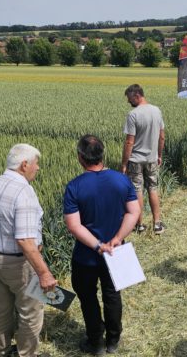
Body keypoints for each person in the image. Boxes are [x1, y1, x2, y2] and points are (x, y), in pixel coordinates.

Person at [0, 143, 57, 357]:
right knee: (30, 311)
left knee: (1, 308)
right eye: (36, 163)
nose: (38, 168)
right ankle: (27, 354)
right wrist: (44, 273)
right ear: (24, 165)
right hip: (17, 264)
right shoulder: (24, 192)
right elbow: (25, 240)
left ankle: (0, 352)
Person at [63, 135, 141, 355]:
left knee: (87, 297)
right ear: (102, 154)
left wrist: (98, 246)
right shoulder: (121, 180)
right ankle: (113, 340)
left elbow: (74, 226)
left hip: (85, 256)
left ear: (80, 157)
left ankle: (96, 341)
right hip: (115, 252)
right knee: (112, 294)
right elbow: (134, 212)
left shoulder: (74, 186)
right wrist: (117, 238)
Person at [121, 84, 166, 235]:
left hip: (135, 160)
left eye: (129, 98)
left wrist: (124, 163)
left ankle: (140, 225)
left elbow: (129, 142)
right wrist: (159, 155)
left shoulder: (133, 114)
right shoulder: (157, 110)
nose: (128, 101)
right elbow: (162, 136)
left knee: (137, 190)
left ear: (137, 95)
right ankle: (157, 224)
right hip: (152, 159)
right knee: (153, 188)